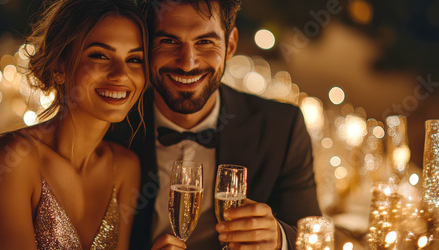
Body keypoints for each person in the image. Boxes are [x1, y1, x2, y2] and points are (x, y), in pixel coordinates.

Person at [105, 0, 322, 249]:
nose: (187, 63)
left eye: (205, 42)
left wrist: (278, 239)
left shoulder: (281, 127)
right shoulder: (112, 124)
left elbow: (312, 236)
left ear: (230, 45)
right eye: (169, 41)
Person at [0, 0, 147, 249]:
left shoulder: (125, 168)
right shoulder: (10, 160)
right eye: (99, 55)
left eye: (134, 59)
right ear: (59, 68)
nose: (121, 74)